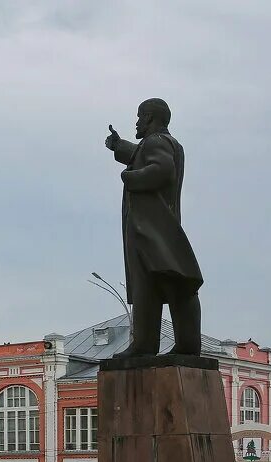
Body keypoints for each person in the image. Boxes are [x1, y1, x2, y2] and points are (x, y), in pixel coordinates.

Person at [104, 98, 202, 357]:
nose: (137, 122)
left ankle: (148, 345)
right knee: (165, 282)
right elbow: (141, 155)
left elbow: (161, 170)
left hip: (150, 227)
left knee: (157, 281)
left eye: (139, 116)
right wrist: (119, 146)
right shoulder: (167, 143)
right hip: (159, 226)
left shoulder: (156, 142)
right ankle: (180, 344)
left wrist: (129, 177)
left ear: (149, 117)